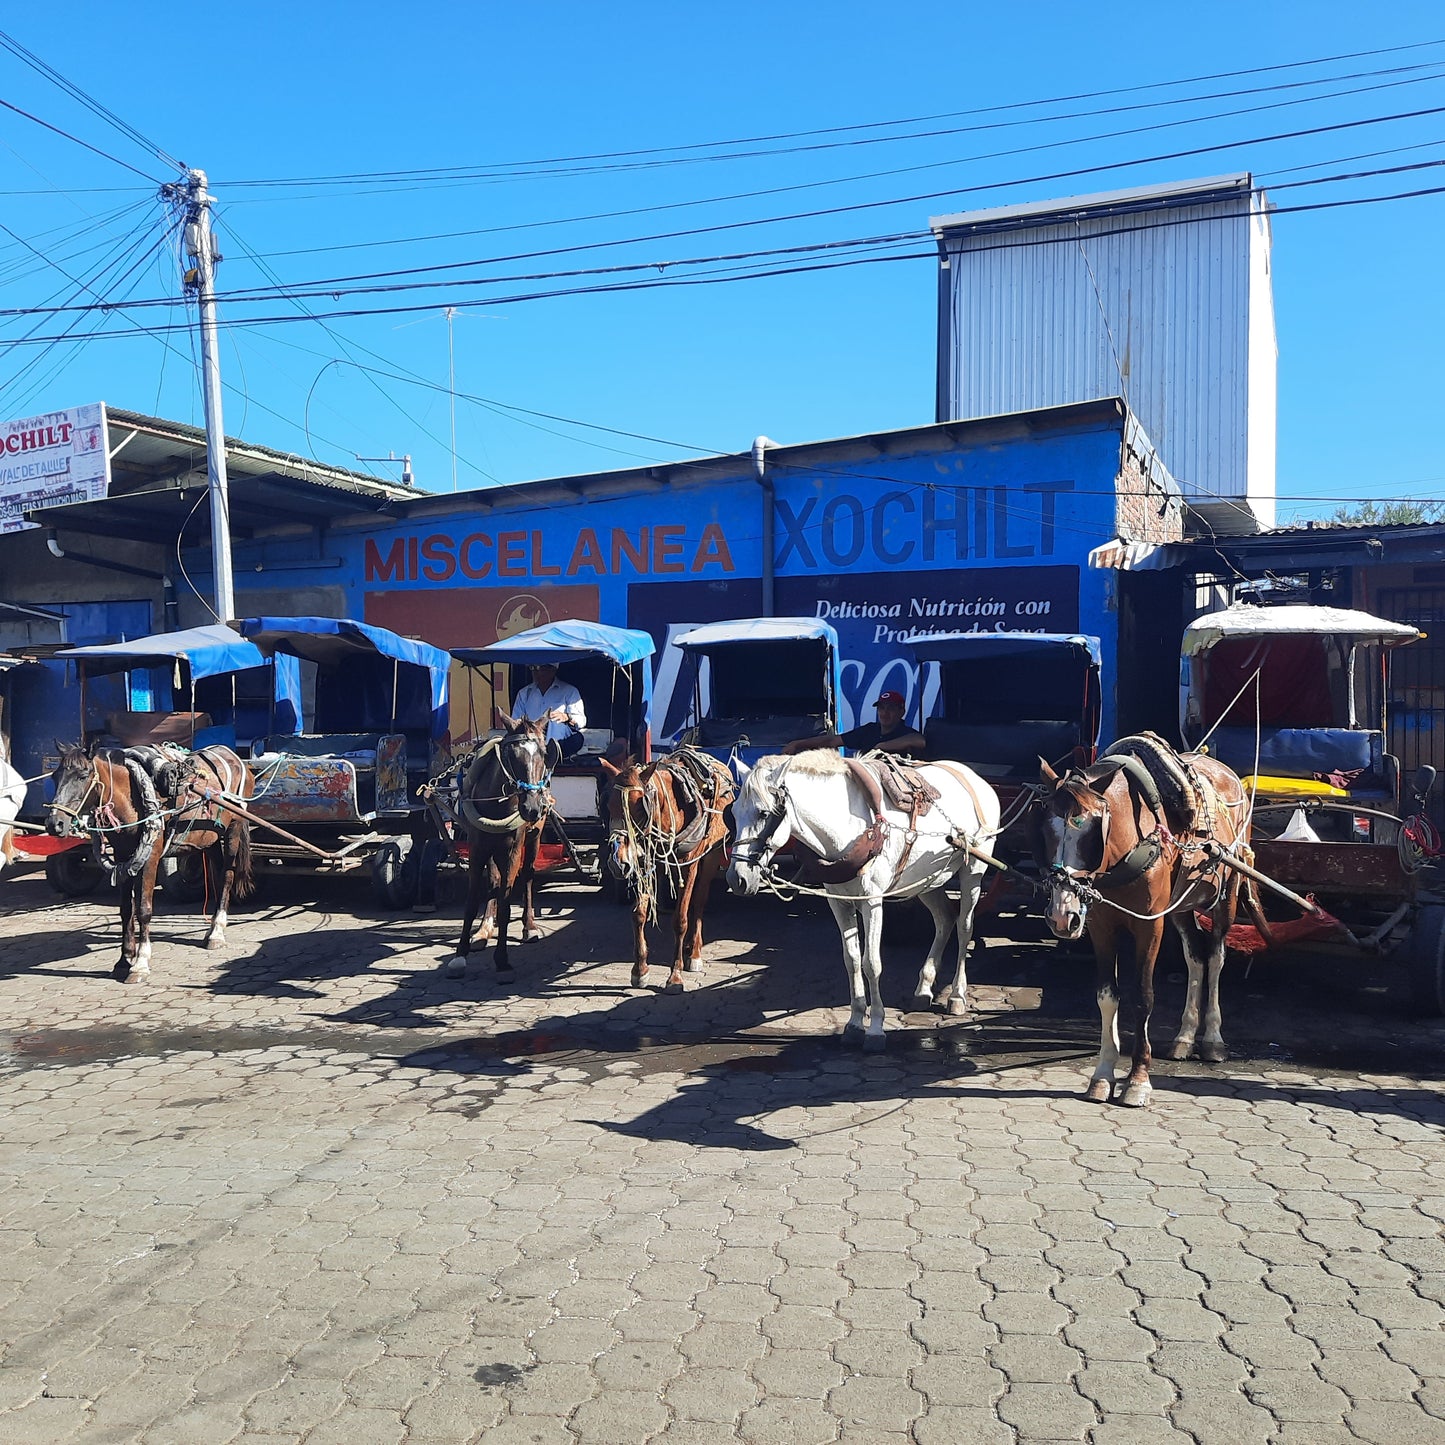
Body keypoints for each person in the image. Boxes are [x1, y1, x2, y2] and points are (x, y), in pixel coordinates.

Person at [780, 689, 925, 758]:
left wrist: (882, 747)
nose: (885, 713)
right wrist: (798, 743)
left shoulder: (906, 733)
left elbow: (919, 740)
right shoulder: (869, 730)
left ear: (901, 711)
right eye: (881, 708)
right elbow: (832, 740)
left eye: (891, 708)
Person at [503, 661, 586, 759]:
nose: (537, 673)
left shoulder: (569, 691)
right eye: (534, 668)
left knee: (555, 724)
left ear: (553, 670)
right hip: (530, 744)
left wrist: (566, 717)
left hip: (560, 744)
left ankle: (550, 755)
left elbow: (581, 721)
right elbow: (515, 720)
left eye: (542, 668)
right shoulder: (524, 693)